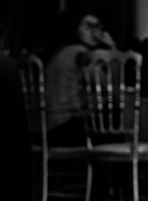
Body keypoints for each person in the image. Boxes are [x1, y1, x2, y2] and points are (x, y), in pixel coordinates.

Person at [43, 10, 114, 145]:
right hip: (68, 127)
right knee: (115, 120)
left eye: (98, 26)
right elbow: (106, 86)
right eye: (88, 27)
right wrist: (111, 50)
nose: (95, 32)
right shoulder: (79, 53)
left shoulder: (59, 52)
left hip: (50, 127)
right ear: (73, 29)